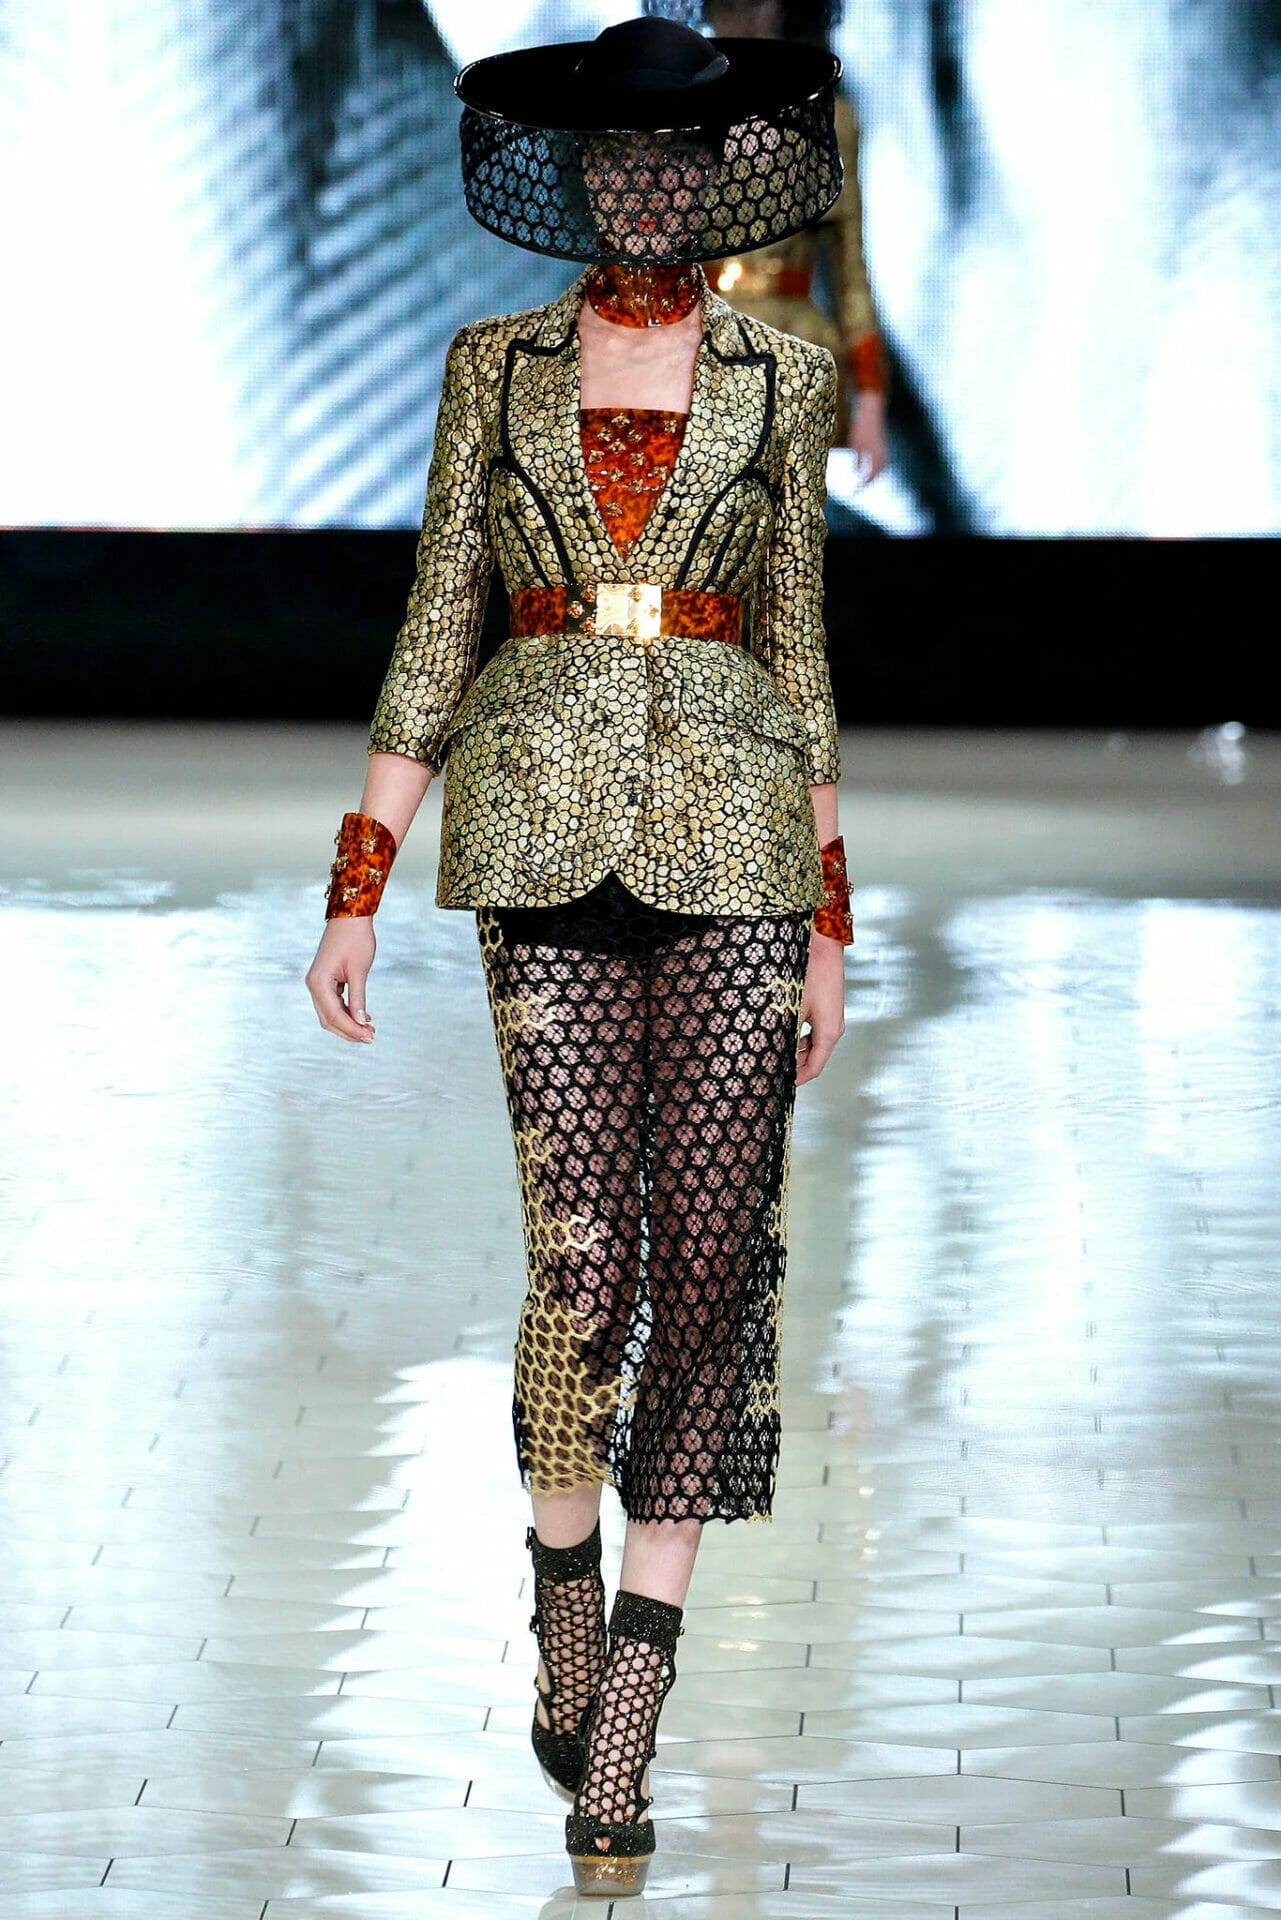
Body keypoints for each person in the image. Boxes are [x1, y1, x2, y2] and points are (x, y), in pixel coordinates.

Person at [304, 13, 855, 1897]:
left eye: (669, 160)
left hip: (738, 840)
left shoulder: (782, 374)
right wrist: (359, 874)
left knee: (709, 1263)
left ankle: (626, 1703)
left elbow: (798, 648)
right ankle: (559, 1579)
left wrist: (831, 915)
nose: (640, 186)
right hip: (538, 826)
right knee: (583, 1258)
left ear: (708, 177)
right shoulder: (494, 365)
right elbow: (438, 612)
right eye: (615, 157)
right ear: (580, 173)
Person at [703, 0, 890, 481]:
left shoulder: (826, 120)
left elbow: (850, 269)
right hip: (698, 356)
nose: (745, 19)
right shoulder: (683, 120)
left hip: (794, 355)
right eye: (728, 3)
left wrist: (870, 402)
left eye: (758, 2)